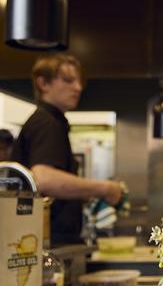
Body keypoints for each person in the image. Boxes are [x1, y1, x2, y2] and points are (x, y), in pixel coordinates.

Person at [12, 55, 124, 246]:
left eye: (79, 81)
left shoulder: (52, 121)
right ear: (43, 83)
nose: (78, 88)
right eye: (68, 80)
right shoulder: (47, 122)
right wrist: (105, 188)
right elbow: (44, 179)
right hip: (46, 241)